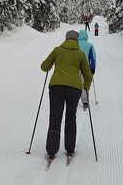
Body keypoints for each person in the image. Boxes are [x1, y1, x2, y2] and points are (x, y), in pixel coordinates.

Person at [40, 30, 93, 161]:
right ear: (76, 40)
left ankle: (51, 150)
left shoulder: (57, 50)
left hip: (56, 87)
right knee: (71, 117)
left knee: (55, 117)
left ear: (66, 39)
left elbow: (44, 67)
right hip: (74, 89)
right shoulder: (80, 54)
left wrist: (50, 66)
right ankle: (70, 148)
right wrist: (86, 87)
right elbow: (88, 76)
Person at [77, 28, 96, 110]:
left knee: (75, 83)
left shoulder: (75, 44)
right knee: (85, 85)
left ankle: (73, 99)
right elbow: (93, 58)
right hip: (86, 68)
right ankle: (85, 101)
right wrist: (93, 68)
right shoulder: (90, 45)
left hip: (75, 67)